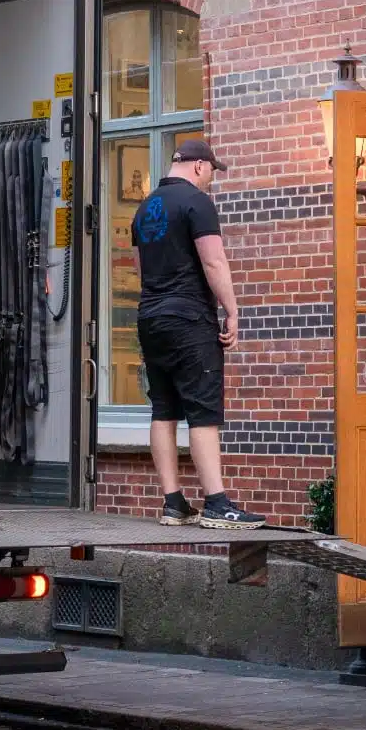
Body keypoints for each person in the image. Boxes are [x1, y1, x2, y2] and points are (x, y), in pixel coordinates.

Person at [133, 137, 264, 531]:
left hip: (151, 318)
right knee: (203, 411)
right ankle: (217, 503)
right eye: (211, 172)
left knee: (163, 408)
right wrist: (233, 312)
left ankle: (173, 502)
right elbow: (213, 260)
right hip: (189, 319)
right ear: (198, 167)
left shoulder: (144, 208)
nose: (211, 180)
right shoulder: (197, 203)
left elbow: (141, 270)